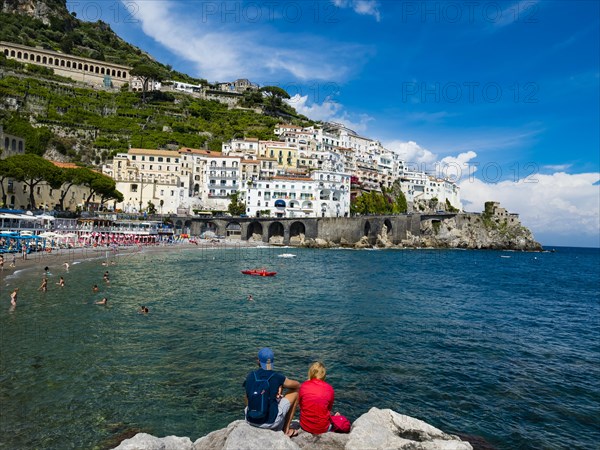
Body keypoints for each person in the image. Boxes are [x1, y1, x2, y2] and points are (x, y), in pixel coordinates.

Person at [243, 348, 300, 437]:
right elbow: (297, 385)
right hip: (270, 422)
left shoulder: (250, 376)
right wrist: (281, 385)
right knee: (296, 393)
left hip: (250, 420)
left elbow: (247, 398)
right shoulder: (277, 377)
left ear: (258, 361)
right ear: (272, 361)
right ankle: (286, 431)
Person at [299, 362, 341, 434]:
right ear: (323, 374)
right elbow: (328, 408)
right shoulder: (330, 388)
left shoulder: (303, 386)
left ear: (311, 373)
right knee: (336, 416)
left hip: (305, 426)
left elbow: (301, 405)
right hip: (322, 429)